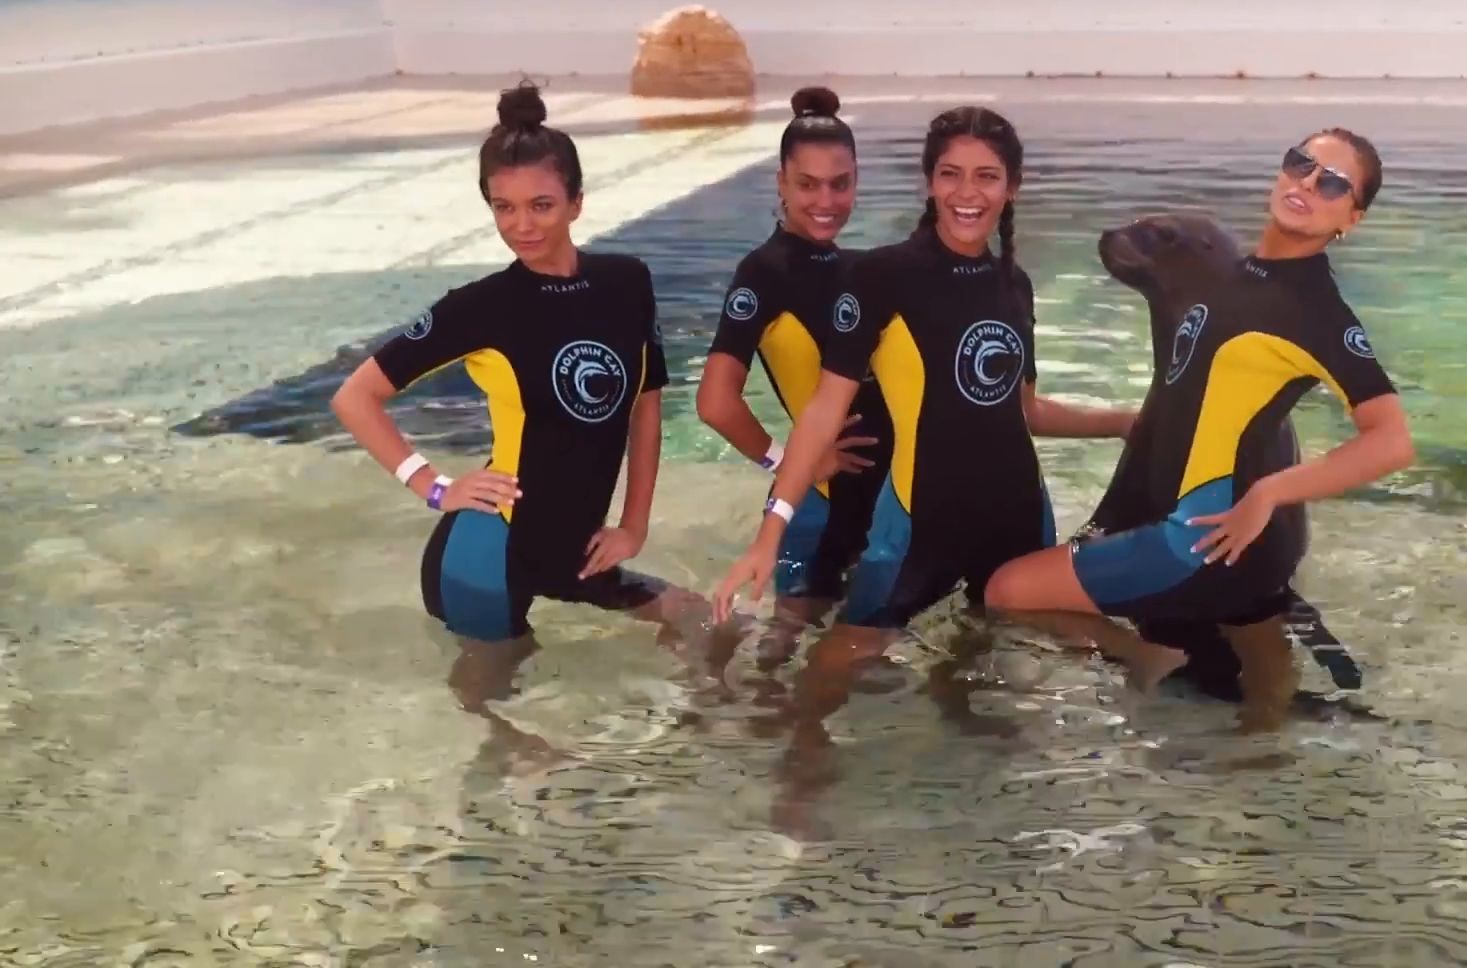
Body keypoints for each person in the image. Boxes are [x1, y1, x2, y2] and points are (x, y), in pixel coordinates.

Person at [709, 104, 1136, 741]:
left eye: (987, 176)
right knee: (834, 666)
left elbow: (1024, 411)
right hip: (918, 523)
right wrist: (772, 529)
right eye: (951, 174)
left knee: (985, 672)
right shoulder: (879, 276)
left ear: (1012, 187)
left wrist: (1126, 422)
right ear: (930, 182)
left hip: (1019, 516)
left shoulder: (1014, 284)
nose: (968, 193)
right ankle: (799, 766)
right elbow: (823, 410)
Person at [982, 128, 1415, 725]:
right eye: (1301, 164)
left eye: (1333, 184)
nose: (1307, 184)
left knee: (1006, 590)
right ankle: (1259, 740)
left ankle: (1145, 657)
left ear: (1351, 218)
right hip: (1226, 542)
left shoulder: (1317, 312)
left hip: (1196, 540)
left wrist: (1271, 492)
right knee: (1260, 708)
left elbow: (1391, 440)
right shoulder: (1239, 276)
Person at [330, 79, 696, 652]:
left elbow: (646, 405)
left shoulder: (626, 282)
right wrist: (433, 486)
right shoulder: (482, 308)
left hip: (580, 552)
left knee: (710, 628)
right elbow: (354, 397)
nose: (521, 226)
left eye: (541, 205)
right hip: (484, 560)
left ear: (577, 203)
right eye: (504, 208)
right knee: (503, 708)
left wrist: (633, 525)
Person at [696, 85, 891, 671]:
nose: (825, 201)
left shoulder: (862, 268)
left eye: (840, 184)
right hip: (820, 505)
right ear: (780, 183)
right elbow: (714, 402)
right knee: (779, 662)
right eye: (807, 185)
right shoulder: (765, 272)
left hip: (885, 504)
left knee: (852, 665)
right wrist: (787, 465)